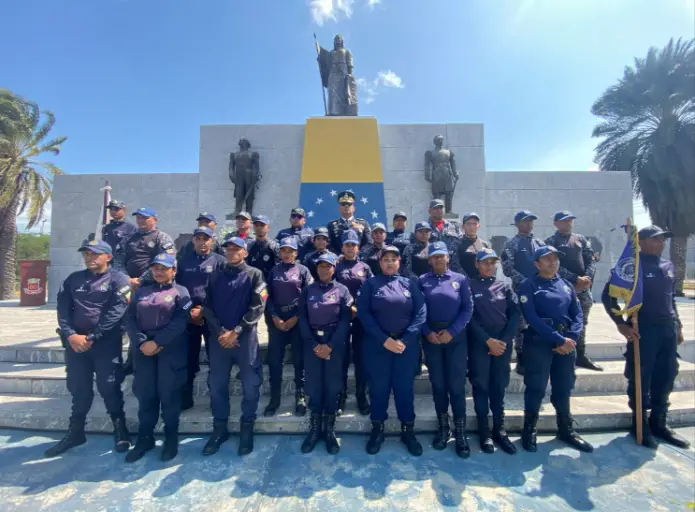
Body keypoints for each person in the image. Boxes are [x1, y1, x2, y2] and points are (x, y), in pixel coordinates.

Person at [601, 226, 690, 449]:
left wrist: (677, 325)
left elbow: (671, 300)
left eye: (662, 239)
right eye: (655, 239)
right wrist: (621, 324)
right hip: (644, 330)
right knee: (641, 377)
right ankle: (640, 424)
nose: (661, 243)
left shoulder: (667, 266)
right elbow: (607, 296)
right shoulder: (631, 267)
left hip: (667, 329)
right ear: (641, 242)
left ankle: (659, 422)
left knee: (667, 374)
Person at [47, 240, 132, 458]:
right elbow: (63, 310)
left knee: (109, 386)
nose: (89, 258)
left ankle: (120, 429)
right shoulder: (73, 279)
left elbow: (115, 312)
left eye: (95, 254)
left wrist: (93, 336)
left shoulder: (119, 280)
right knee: (79, 388)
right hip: (76, 344)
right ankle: (76, 432)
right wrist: (71, 335)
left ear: (108, 257)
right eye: (86, 254)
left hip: (105, 344)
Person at [518, 246, 593, 453]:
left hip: (566, 344)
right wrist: (558, 339)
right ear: (536, 263)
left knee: (563, 386)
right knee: (536, 387)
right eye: (547, 259)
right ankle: (529, 430)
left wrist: (572, 338)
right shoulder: (528, 285)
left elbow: (577, 314)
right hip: (540, 341)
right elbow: (531, 317)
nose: (553, 262)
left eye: (555, 259)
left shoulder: (566, 285)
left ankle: (565, 429)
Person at [357, 246, 427, 456]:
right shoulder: (370, 284)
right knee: (378, 390)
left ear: (399, 262)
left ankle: (408, 431)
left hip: (405, 347)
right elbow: (364, 314)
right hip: (378, 347)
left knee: (404, 389)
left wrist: (404, 339)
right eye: (385, 259)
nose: (389, 262)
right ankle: (377, 431)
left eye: (393, 259)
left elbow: (421, 313)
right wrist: (384, 339)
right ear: (379, 263)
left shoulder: (409, 284)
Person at [202, 236, 267, 456]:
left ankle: (247, 428)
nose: (231, 252)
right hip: (219, 340)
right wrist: (222, 331)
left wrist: (236, 331)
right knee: (217, 385)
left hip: (244, 339)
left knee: (250, 384)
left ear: (245, 253)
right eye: (228, 248)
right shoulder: (215, 276)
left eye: (236, 249)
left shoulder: (255, 275)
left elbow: (257, 307)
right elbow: (207, 307)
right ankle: (219, 429)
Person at [124, 253, 192, 462]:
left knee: (169, 396)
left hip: (170, 351)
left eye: (164, 268)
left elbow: (180, 321)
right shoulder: (141, 292)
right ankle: (145, 439)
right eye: (156, 268)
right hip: (144, 351)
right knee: (146, 396)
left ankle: (171, 440)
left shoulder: (181, 292)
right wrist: (142, 341)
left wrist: (158, 342)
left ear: (173, 270)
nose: (159, 272)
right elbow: (130, 318)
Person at [418, 242, 474, 458]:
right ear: (430, 260)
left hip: (456, 338)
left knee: (457, 386)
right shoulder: (423, 281)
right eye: (434, 257)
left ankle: (460, 432)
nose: (438, 260)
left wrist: (453, 330)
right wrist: (427, 331)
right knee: (439, 384)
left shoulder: (459, 279)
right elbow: (418, 309)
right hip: (432, 339)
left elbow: (468, 308)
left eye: (442, 256)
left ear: (448, 258)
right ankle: (444, 427)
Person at [298, 253, 353, 454]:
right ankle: (314, 430)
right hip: (312, 342)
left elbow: (346, 320)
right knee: (313, 385)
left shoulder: (343, 290)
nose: (324, 269)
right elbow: (302, 318)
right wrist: (314, 344)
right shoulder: (308, 290)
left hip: (334, 343)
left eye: (328, 266)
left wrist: (330, 345)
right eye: (320, 266)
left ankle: (329, 431)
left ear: (334, 269)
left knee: (332, 386)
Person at [468, 248, 520, 455]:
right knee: (481, 386)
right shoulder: (469, 286)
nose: (489, 266)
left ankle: (500, 429)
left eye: (492, 263)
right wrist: (487, 340)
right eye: (484, 263)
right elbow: (468, 318)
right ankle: (484, 432)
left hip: (502, 343)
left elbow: (515, 315)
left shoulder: (505, 286)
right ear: (477, 265)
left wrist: (503, 341)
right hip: (481, 342)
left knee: (499, 386)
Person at [113, 206, 176, 376]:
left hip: (152, 287)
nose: (141, 221)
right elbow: (118, 261)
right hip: (129, 288)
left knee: (148, 324)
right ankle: (130, 361)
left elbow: (167, 262)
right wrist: (127, 279)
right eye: (139, 218)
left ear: (154, 220)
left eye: (145, 218)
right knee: (130, 323)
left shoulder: (162, 238)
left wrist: (141, 280)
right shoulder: (129, 238)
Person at [175, 227, 226, 410]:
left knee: (216, 359)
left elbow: (223, 291)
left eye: (206, 239)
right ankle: (186, 397)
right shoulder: (183, 261)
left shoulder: (221, 262)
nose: (202, 242)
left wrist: (204, 310)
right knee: (188, 359)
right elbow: (177, 289)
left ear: (212, 241)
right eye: (199, 239)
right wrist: (189, 310)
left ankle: (216, 398)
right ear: (193, 241)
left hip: (211, 317)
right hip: (189, 318)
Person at [546, 211, 602, 371]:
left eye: (570, 220)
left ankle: (581, 355)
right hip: (561, 288)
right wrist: (575, 279)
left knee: (582, 322)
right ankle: (562, 353)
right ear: (556, 223)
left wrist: (586, 279)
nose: (568, 223)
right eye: (564, 221)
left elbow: (591, 260)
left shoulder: (581, 239)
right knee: (562, 321)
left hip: (583, 289)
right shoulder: (550, 242)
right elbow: (552, 265)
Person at [264, 237, 313, 417]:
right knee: (275, 361)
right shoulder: (273, 271)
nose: (286, 254)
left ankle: (300, 396)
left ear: (296, 253)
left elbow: (309, 296)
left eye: (290, 251)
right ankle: (274, 398)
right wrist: (275, 317)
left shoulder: (303, 270)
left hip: (297, 321)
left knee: (299, 360)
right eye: (283, 250)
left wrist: (296, 317)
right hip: (277, 321)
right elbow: (267, 296)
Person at [501, 210, 545, 376]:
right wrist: (527, 282)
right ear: (518, 224)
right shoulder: (511, 244)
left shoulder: (540, 243)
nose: (528, 224)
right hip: (522, 291)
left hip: (541, 292)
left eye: (530, 221)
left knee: (539, 324)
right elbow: (507, 268)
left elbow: (549, 264)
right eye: (525, 221)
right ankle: (522, 360)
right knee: (521, 327)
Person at [335, 229, 374, 416]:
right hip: (340, 317)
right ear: (342, 247)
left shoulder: (365, 268)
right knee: (341, 359)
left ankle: (361, 395)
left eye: (353, 245)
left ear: (358, 247)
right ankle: (340, 396)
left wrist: (359, 308)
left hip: (360, 318)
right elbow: (330, 291)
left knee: (362, 359)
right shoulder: (335, 266)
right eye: (347, 245)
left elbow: (372, 290)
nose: (350, 248)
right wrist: (347, 307)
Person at [454, 212, 491, 278]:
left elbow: (491, 263)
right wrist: (467, 280)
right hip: (464, 282)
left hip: (482, 282)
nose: (471, 227)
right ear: (463, 226)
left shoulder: (484, 244)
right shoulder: (457, 244)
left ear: (478, 226)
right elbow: (454, 265)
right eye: (468, 224)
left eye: (474, 224)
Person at [247, 215, 280, 281]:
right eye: (256, 225)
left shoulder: (274, 246)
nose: (259, 228)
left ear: (268, 227)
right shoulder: (249, 245)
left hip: (267, 283)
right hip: (251, 282)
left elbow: (278, 268)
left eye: (262, 225)